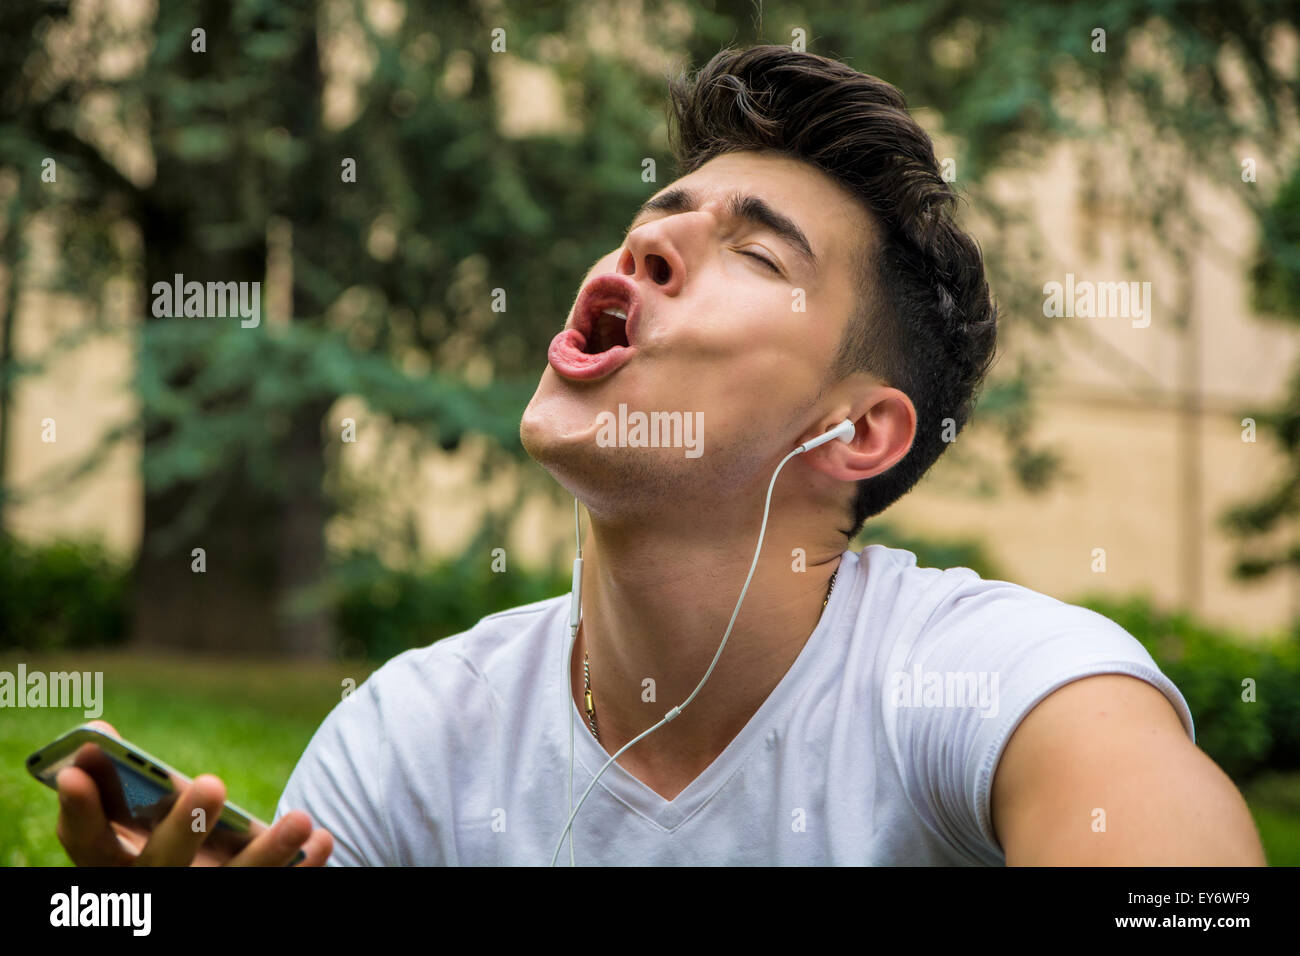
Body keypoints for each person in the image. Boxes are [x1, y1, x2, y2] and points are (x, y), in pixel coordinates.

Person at [55, 45, 1265, 867]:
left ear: (856, 431)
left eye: (756, 254)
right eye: (655, 221)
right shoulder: (412, 738)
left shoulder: (989, 680)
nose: (649, 248)